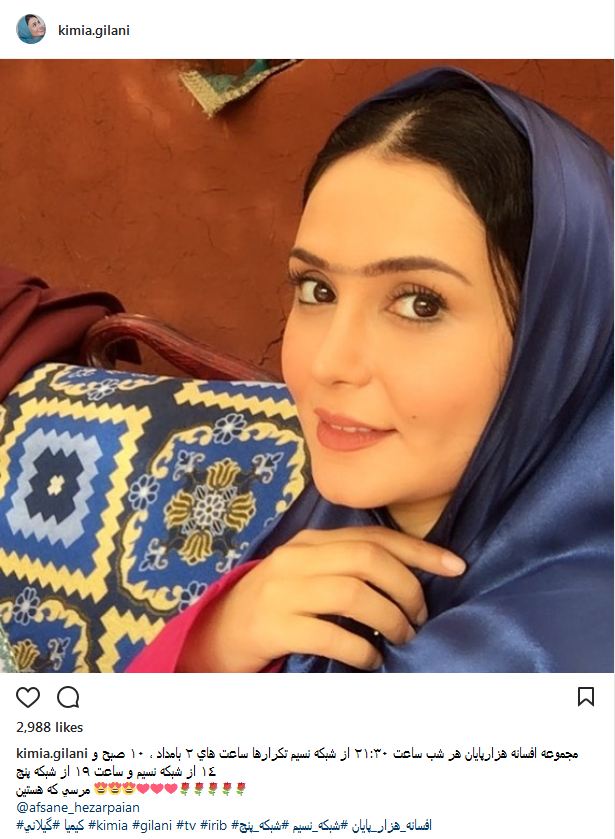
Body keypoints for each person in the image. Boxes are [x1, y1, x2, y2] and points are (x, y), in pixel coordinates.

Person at [127, 66, 613, 674]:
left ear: (561, 338)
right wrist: (215, 644)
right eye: (318, 290)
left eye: (419, 304)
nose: (328, 363)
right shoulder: (320, 550)